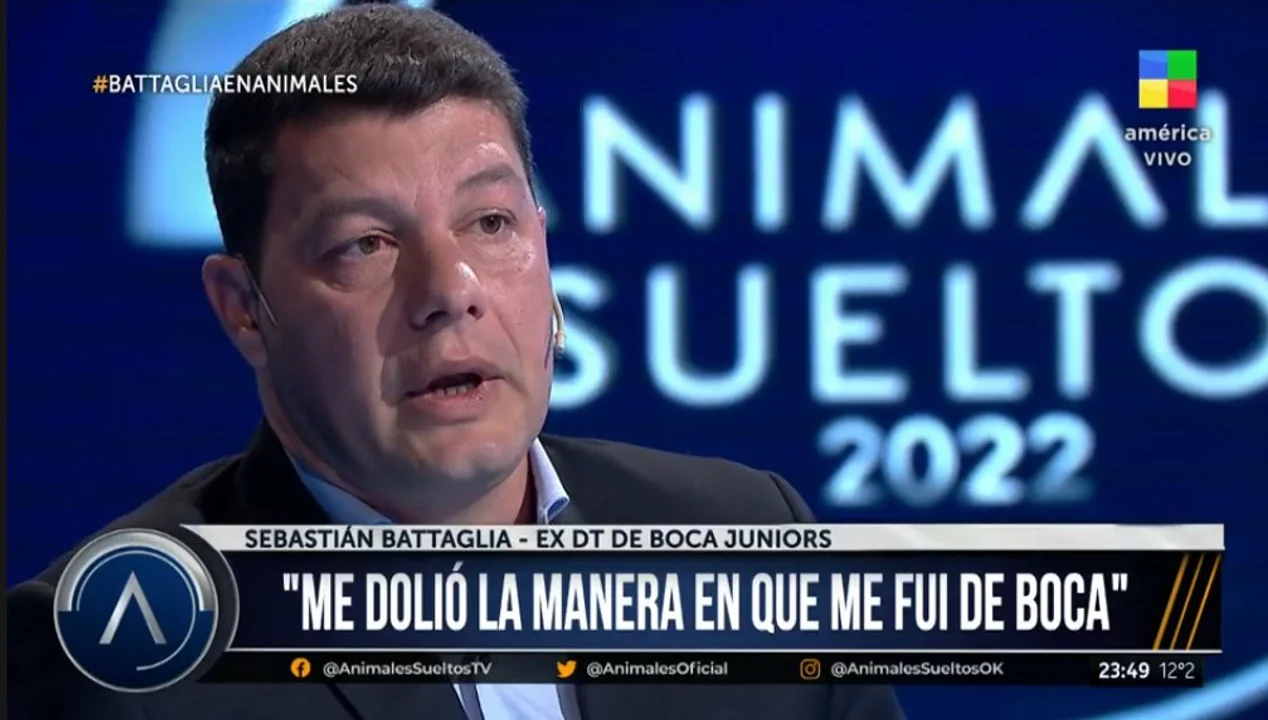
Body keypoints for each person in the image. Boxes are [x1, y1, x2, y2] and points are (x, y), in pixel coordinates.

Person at [8, 6, 903, 720]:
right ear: (245, 308)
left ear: (543, 244)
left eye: (490, 223)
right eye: (365, 243)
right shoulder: (118, 653)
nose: (450, 289)